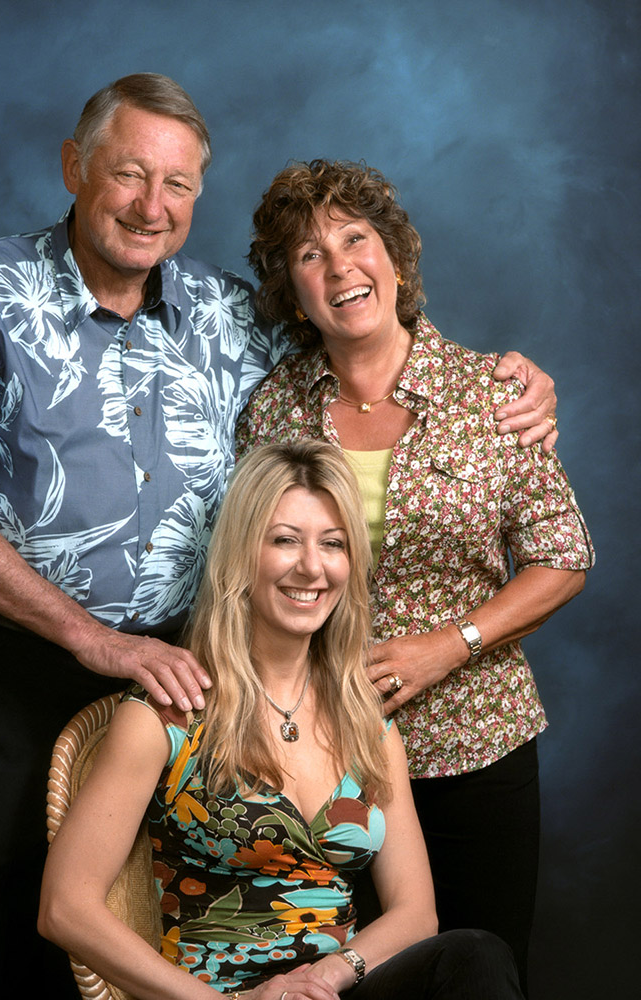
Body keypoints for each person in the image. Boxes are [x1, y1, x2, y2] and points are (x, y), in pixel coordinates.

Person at [0, 74, 557, 997]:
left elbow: (358, 339)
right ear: (74, 168)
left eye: (179, 186)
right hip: (22, 665)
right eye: (128, 176)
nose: (153, 207)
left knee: (202, 903)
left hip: (196, 674)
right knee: (7, 916)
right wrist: (96, 640)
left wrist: (502, 380)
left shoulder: (228, 315)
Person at [236, 159, 595, 996]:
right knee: (335, 981)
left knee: (480, 971)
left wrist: (450, 644)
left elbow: (564, 554)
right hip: (322, 756)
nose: (340, 267)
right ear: (293, 293)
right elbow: (245, 570)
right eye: (309, 256)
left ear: (396, 258)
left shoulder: (491, 395)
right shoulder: (270, 412)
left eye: (356, 240)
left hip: (477, 745)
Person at [39, 439, 523, 1000]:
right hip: (217, 995)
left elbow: (416, 913)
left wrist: (329, 976)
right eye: (285, 540)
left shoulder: (366, 719)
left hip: (337, 989)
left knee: (477, 956)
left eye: (333, 544)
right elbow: (64, 908)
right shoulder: (166, 712)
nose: (312, 567)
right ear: (243, 553)